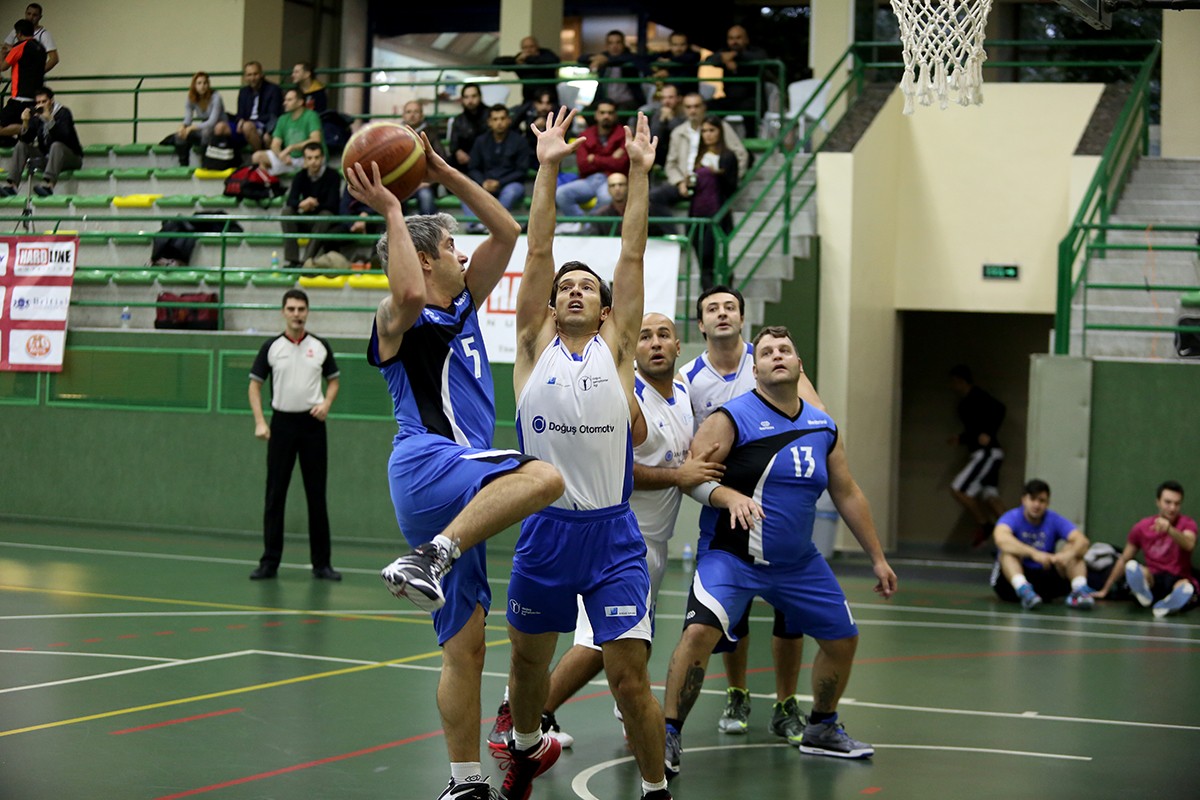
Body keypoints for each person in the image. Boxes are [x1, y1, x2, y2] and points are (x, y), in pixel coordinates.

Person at [351, 130, 564, 800]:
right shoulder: (397, 320)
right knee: (544, 477)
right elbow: (409, 294)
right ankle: (431, 556)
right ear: (421, 257)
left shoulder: (466, 301)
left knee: (466, 648)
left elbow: (506, 230)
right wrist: (393, 209)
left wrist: (441, 170)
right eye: (449, 246)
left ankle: (464, 782)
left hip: (458, 484)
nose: (463, 253)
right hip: (428, 462)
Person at [501, 107, 671, 800]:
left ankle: (656, 789)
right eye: (565, 287)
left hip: (612, 538)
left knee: (630, 681)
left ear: (605, 309)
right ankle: (522, 748)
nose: (573, 290)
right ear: (550, 305)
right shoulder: (531, 348)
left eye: (586, 287)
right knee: (527, 668)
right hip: (545, 532)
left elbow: (631, 255)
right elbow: (538, 251)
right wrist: (547, 166)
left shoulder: (618, 351)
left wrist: (639, 171)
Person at [662, 325, 897, 774]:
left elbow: (848, 493)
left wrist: (877, 557)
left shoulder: (823, 426)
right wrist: (728, 497)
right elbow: (693, 479)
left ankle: (822, 727)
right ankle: (668, 733)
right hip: (732, 556)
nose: (777, 356)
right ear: (755, 370)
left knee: (843, 639)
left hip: (796, 563)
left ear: (798, 365)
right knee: (698, 634)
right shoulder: (730, 418)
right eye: (767, 351)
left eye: (785, 350)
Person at [487, 312, 722, 752]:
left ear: (679, 347)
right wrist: (679, 476)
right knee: (595, 645)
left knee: (630, 648)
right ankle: (523, 718)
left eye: (664, 335)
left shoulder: (683, 393)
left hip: (655, 543)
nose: (654, 343)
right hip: (615, 538)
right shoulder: (622, 391)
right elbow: (623, 465)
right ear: (630, 344)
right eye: (645, 335)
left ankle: (616, 716)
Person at [676, 285, 824, 743]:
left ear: (743, 318)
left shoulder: (767, 361)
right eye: (712, 309)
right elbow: (687, 447)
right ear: (701, 324)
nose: (722, 314)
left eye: (730, 307)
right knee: (731, 615)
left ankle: (786, 703)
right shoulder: (688, 378)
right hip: (728, 510)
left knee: (790, 615)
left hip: (781, 510)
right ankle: (737, 692)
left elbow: (819, 420)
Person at [247, 289, 342, 582]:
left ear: (307, 312)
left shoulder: (320, 346)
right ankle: (269, 562)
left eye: (301, 309)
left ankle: (322, 564)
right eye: (291, 309)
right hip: (282, 426)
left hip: (312, 426)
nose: (296, 314)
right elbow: (254, 386)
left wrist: (326, 404)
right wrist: (260, 422)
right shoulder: (271, 347)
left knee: (316, 495)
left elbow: (334, 380)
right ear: (283, 312)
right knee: (275, 495)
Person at [1095, 480, 1197, 617]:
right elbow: (1124, 558)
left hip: (1177, 578)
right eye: (1168, 502)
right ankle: (1144, 594)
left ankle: (1169, 604)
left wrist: (1169, 529)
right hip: (1153, 579)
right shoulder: (1142, 527)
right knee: (1133, 566)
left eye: (1177, 503)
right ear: (1158, 502)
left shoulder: (1188, 524)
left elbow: (1189, 544)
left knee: (1186, 587)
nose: (1172, 508)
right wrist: (1105, 589)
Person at [989, 479, 1096, 610]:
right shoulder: (1012, 517)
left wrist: (1066, 556)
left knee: (1074, 549)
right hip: (1011, 583)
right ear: (1024, 500)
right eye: (1032, 499)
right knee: (1007, 553)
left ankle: (1079, 591)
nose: (1036, 505)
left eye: (1041, 501)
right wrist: (1034, 553)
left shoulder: (1053, 519)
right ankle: (1023, 589)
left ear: (1047, 503)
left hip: (1044, 576)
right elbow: (1001, 539)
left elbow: (1083, 541)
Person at [651, 93, 749, 213]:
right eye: (688, 107)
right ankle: (674, 227)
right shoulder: (677, 132)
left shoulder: (719, 127)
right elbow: (671, 165)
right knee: (653, 197)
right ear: (683, 109)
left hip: (713, 184)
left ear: (704, 107)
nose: (693, 111)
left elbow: (741, 154)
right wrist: (679, 182)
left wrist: (729, 180)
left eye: (696, 106)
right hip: (686, 182)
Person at [948, 364, 1007, 547]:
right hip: (987, 453)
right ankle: (1016, 535)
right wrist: (962, 438)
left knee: (959, 489)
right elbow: (974, 429)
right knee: (990, 496)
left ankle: (985, 524)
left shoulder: (977, 396)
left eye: (953, 382)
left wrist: (989, 432)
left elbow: (1000, 409)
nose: (952, 386)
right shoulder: (964, 404)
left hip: (987, 454)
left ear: (960, 381)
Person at [554, 99, 628, 228]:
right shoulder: (585, 135)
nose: (606, 116)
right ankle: (584, 225)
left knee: (607, 198)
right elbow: (583, 165)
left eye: (610, 113)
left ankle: (591, 227)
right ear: (596, 115)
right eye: (602, 112)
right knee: (561, 193)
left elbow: (621, 165)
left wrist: (594, 158)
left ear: (615, 115)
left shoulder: (624, 135)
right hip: (589, 179)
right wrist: (610, 158)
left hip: (612, 179)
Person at [688, 116, 740, 289]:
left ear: (720, 132)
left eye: (712, 130)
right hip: (697, 212)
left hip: (716, 214)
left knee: (710, 257)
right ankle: (709, 295)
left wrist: (718, 173)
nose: (708, 135)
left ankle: (720, 290)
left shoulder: (728, 156)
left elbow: (732, 186)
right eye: (704, 131)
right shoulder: (699, 156)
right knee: (702, 260)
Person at [2, 85, 80, 197]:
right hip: (47, 158)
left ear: (51, 101)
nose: (41, 105)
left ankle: (48, 185)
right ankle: (12, 186)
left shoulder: (63, 113)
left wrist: (50, 120)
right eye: (38, 102)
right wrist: (25, 122)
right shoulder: (37, 116)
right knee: (21, 146)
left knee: (56, 146)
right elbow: (26, 139)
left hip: (70, 157)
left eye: (44, 101)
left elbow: (64, 138)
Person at [465, 104, 530, 229]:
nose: (499, 123)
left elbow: (522, 170)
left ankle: (494, 225)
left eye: (502, 118)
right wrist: (483, 182)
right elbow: (473, 168)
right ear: (489, 122)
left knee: (512, 192)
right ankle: (475, 225)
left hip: (510, 184)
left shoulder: (520, 141)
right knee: (465, 190)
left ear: (509, 120)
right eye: (495, 119)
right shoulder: (481, 141)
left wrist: (500, 182)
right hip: (485, 183)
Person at [280, 142, 342, 268]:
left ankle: (306, 261)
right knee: (286, 212)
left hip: (325, 221)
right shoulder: (300, 176)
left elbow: (333, 204)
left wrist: (313, 204)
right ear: (305, 160)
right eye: (309, 158)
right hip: (307, 218)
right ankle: (292, 260)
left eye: (316, 157)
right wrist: (301, 204)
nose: (313, 162)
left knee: (325, 215)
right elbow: (290, 201)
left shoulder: (333, 175)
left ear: (322, 158)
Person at [702, 25, 770, 138]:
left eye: (738, 38)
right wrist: (722, 58)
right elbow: (709, 59)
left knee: (750, 111)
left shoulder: (755, 51)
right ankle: (713, 141)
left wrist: (735, 56)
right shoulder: (725, 52)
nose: (734, 42)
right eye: (731, 38)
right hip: (730, 100)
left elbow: (761, 57)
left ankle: (751, 143)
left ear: (746, 40)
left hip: (751, 100)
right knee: (708, 107)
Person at [252, 86, 323, 177]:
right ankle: (269, 184)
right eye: (285, 100)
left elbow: (316, 140)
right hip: (289, 159)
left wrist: (291, 148)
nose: (285, 103)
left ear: (300, 102)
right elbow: (275, 144)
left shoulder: (311, 116)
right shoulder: (283, 119)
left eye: (289, 100)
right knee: (257, 157)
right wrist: (281, 156)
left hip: (307, 157)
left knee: (311, 161)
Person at [585, 172, 673, 237]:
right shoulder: (600, 215)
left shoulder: (644, 212)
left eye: (621, 184)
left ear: (628, 187)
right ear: (608, 190)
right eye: (613, 185)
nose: (617, 189)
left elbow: (658, 235)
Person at [0, 19, 45, 144]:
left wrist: (3, 53)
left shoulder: (19, 47)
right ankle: (26, 131)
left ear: (19, 33)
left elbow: (2, 67)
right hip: (35, 98)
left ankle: (27, 129)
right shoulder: (40, 48)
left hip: (19, 98)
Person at [581, 30, 646, 116]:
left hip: (627, 101)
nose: (614, 46)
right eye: (610, 43)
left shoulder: (630, 57)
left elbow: (622, 59)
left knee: (619, 114)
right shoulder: (603, 57)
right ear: (606, 45)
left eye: (618, 42)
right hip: (605, 101)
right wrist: (595, 59)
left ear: (623, 44)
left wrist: (605, 60)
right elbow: (581, 58)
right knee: (587, 112)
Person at [173, 71, 230, 167]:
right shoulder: (191, 98)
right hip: (203, 128)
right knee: (179, 135)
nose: (202, 86)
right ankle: (183, 165)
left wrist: (192, 127)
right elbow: (188, 119)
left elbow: (212, 122)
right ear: (194, 85)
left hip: (218, 128)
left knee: (206, 132)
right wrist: (183, 126)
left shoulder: (216, 97)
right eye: (199, 83)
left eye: (205, 83)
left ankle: (204, 164)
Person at [401, 99, 447, 215]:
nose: (412, 115)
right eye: (408, 112)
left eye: (416, 112)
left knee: (425, 196)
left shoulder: (431, 133)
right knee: (394, 198)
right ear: (403, 115)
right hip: (402, 184)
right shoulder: (397, 134)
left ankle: (428, 227)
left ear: (422, 115)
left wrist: (430, 181)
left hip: (425, 183)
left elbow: (441, 159)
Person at [491, 35, 560, 106]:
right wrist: (515, 61)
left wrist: (528, 59)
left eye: (531, 46)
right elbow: (497, 63)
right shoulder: (520, 59)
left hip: (549, 100)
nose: (529, 50)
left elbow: (554, 60)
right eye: (525, 47)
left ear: (537, 47)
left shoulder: (545, 54)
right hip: (529, 100)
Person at [231, 60, 283, 153]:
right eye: (249, 75)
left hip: (266, 125)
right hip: (247, 126)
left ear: (261, 74)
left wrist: (249, 122)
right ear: (245, 77)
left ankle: (258, 155)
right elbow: (240, 114)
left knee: (248, 126)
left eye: (255, 74)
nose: (252, 78)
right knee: (221, 127)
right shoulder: (243, 92)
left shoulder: (273, 89)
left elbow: (273, 114)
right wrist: (240, 120)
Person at [1, 4, 56, 73]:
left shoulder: (44, 35)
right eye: (29, 14)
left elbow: (54, 59)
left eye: (34, 15)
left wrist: (37, 73)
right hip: (19, 75)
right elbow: (4, 50)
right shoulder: (16, 31)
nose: (31, 17)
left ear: (40, 17)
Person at [447, 83, 488, 174]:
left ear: (480, 97)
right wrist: (458, 152)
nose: (470, 100)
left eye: (474, 96)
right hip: (464, 161)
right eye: (466, 97)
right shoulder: (459, 120)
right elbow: (453, 144)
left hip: (486, 160)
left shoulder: (490, 116)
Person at [644, 84, 686, 169]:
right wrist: (661, 120)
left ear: (679, 98)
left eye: (670, 97)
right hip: (661, 155)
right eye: (663, 98)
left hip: (681, 153)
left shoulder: (685, 112)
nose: (666, 101)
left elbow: (682, 136)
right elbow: (653, 139)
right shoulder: (657, 113)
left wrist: (671, 119)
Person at [650, 32, 699, 97]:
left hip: (687, 97)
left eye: (682, 44)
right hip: (668, 97)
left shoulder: (693, 56)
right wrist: (653, 73)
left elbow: (691, 58)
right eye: (675, 45)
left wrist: (668, 70)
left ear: (687, 45)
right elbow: (646, 58)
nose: (678, 48)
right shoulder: (666, 54)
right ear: (670, 45)